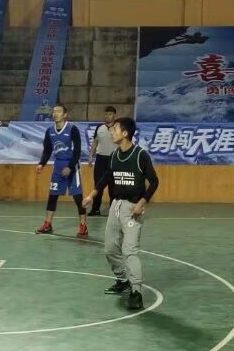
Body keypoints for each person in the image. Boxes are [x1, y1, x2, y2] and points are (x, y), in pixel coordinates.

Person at [83, 116, 159, 312]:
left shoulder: (140, 155)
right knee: (109, 249)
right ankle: (123, 279)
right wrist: (92, 194)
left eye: (115, 129)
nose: (112, 132)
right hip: (116, 206)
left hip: (133, 209)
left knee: (130, 251)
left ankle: (136, 292)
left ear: (125, 133)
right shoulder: (115, 155)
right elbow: (107, 177)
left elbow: (154, 182)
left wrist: (141, 203)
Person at [36, 102, 88, 237]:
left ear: (65, 115)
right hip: (58, 165)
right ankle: (47, 224)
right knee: (52, 196)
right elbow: (47, 150)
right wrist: (41, 163)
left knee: (78, 197)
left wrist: (70, 167)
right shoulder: (50, 131)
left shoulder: (72, 129)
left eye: (58, 111)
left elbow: (77, 151)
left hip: (72, 165)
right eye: (54, 111)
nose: (55, 114)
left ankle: (83, 225)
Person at [89, 106, 118, 217]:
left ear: (114, 115)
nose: (107, 116)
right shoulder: (99, 128)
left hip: (114, 159)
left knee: (113, 187)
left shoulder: (118, 128)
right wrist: (91, 156)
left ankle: (113, 211)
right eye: (106, 114)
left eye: (110, 114)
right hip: (100, 159)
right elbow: (95, 142)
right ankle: (95, 209)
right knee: (98, 185)